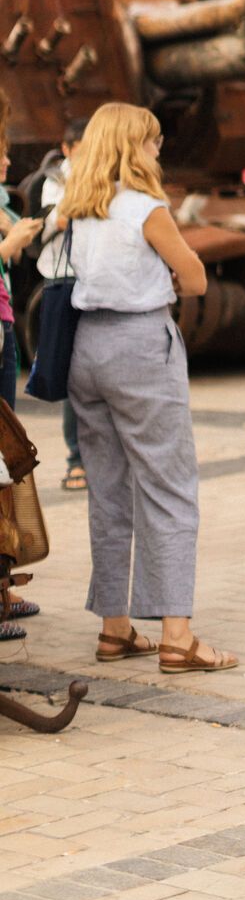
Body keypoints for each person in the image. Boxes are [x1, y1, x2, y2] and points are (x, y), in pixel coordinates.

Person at [64, 102, 237, 672]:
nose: (158, 149)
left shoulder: (79, 207)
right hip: (140, 347)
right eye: (153, 141)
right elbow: (195, 276)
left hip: (87, 349)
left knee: (108, 489)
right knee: (168, 485)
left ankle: (116, 629)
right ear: (132, 146)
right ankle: (177, 636)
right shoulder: (146, 208)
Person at [0, 124, 44, 642]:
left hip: (5, 323)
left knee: (5, 464)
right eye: (2, 155)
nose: (8, 164)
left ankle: (4, 588)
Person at [37, 119, 89, 490]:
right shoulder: (57, 179)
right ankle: (76, 458)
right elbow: (55, 219)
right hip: (65, 279)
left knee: (94, 371)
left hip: (97, 279)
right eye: (80, 148)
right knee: (71, 372)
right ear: (67, 148)